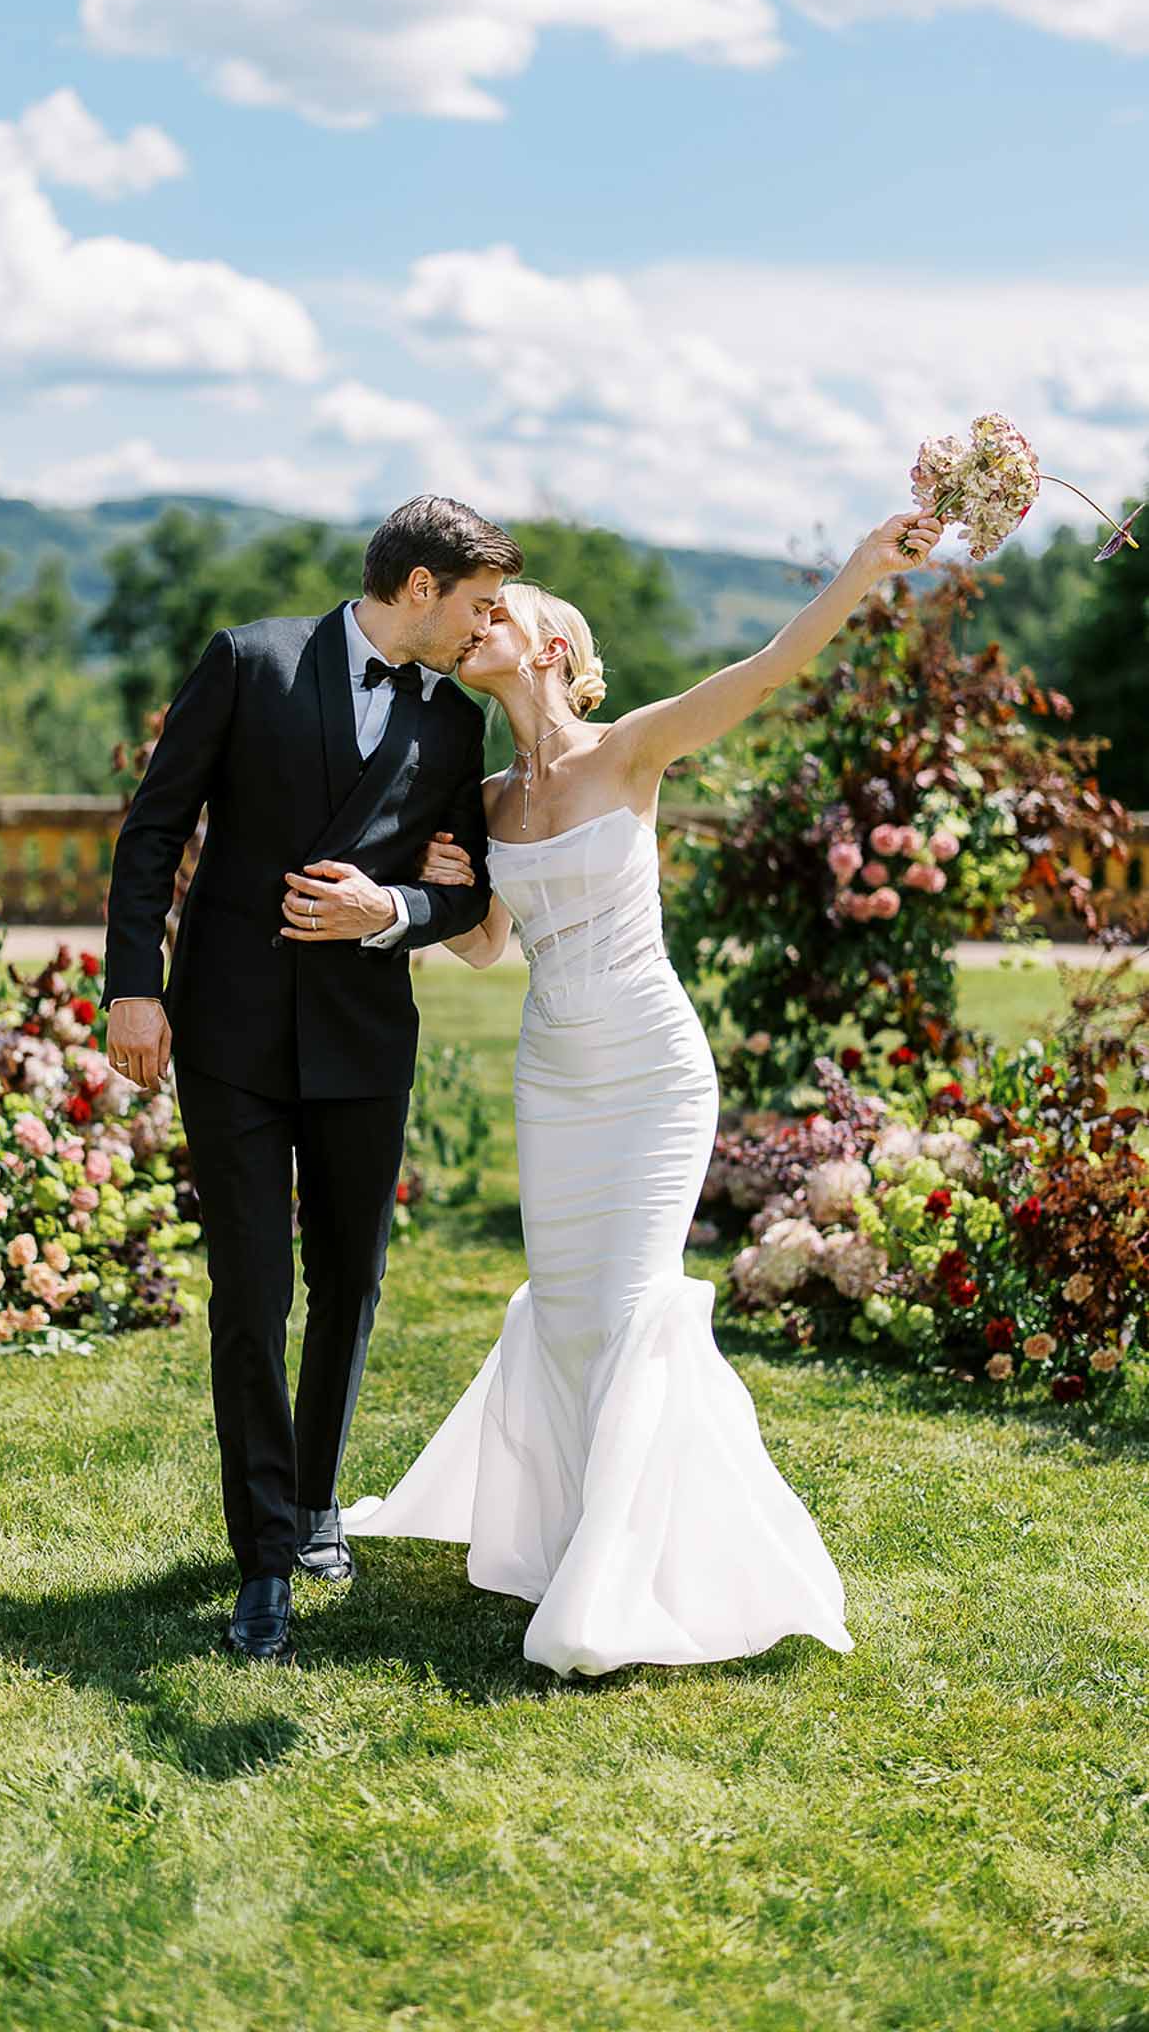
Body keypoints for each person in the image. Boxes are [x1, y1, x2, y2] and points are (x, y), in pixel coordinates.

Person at [342, 505, 945, 1678]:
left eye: (497, 612)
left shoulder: (631, 750)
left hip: (652, 1072)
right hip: (551, 1075)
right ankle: (575, 1534)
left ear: (552, 647)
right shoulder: (487, 797)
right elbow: (485, 951)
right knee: (568, 1314)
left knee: (631, 1308)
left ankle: (630, 1581)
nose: (476, 624)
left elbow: (769, 668)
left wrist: (867, 565)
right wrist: (429, 886)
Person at [100, 496, 523, 1665]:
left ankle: (320, 1497)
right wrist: (133, 984)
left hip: (361, 1036)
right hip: (230, 1032)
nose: (486, 625)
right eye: (478, 603)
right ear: (421, 586)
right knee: (251, 1293)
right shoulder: (248, 660)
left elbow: (470, 895)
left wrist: (388, 909)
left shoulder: (451, 721)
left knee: (351, 1278)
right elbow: (153, 829)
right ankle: (263, 1560)